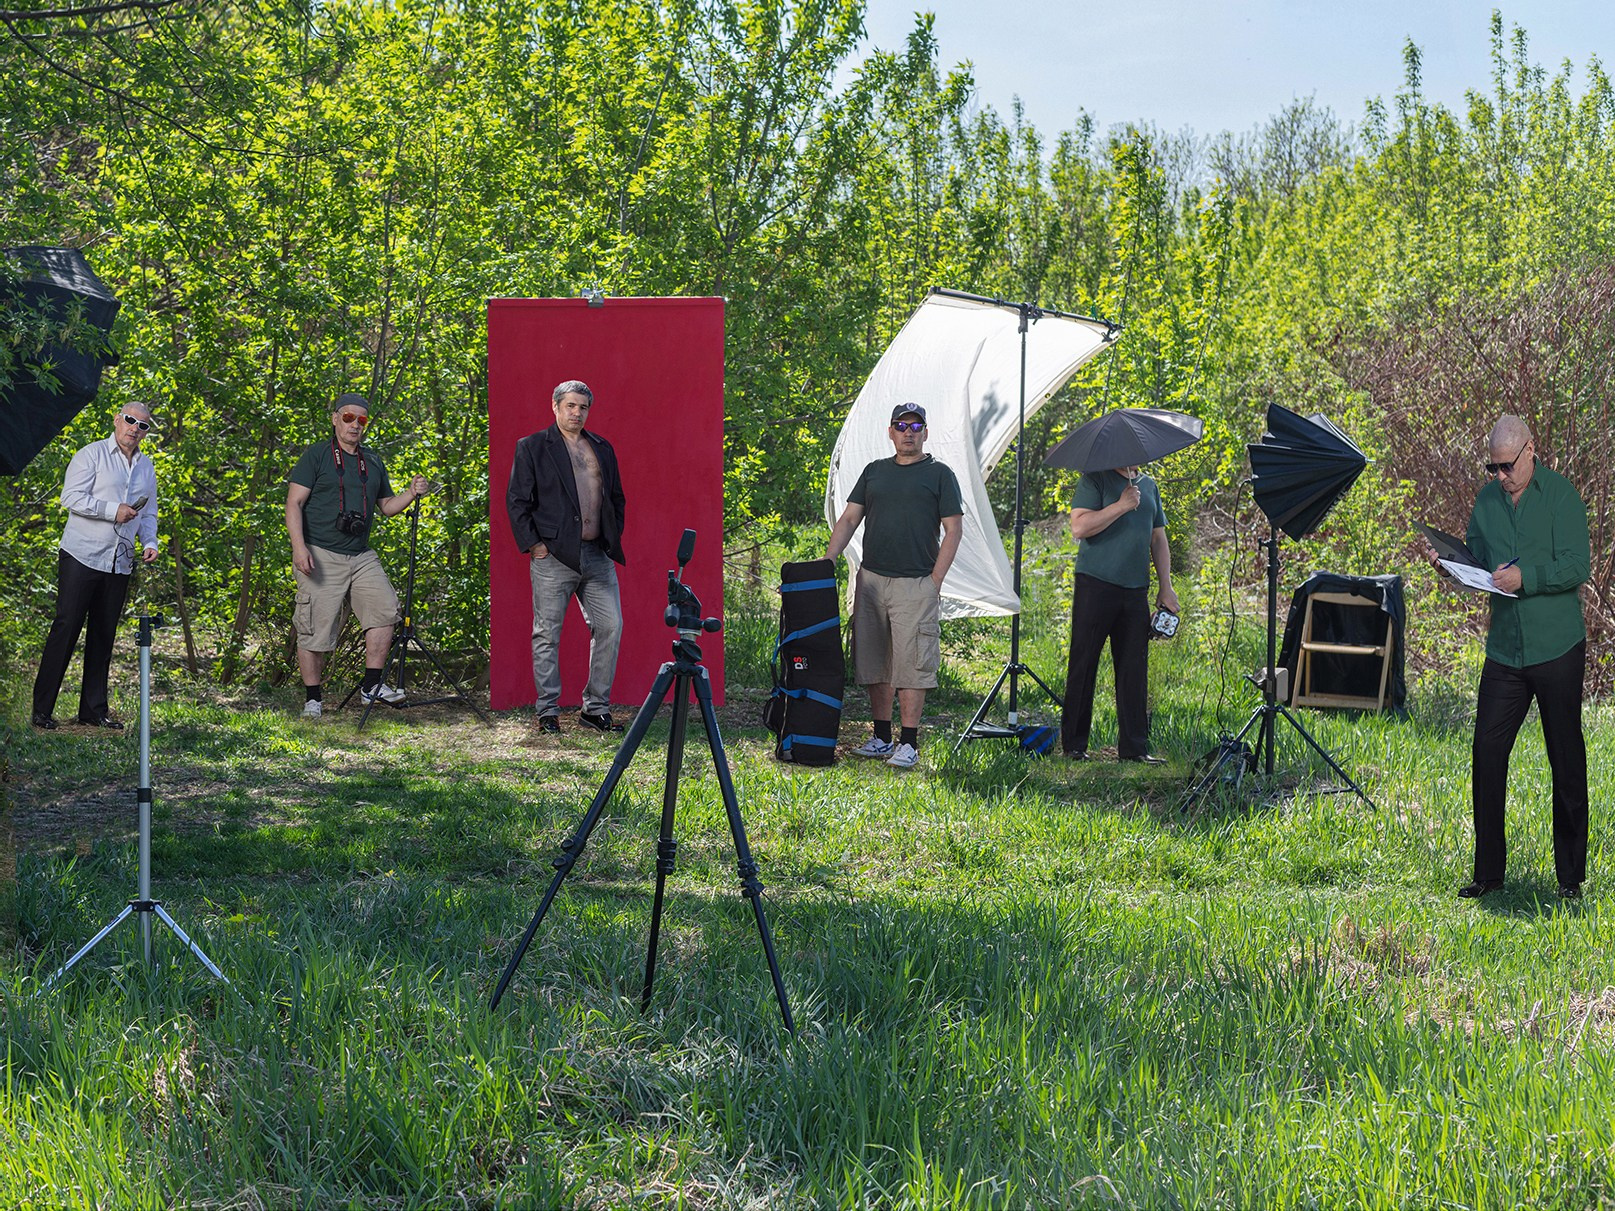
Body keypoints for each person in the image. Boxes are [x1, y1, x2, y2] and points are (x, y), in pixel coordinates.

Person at [1424, 415, 1590, 900]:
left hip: (1557, 646)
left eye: (1505, 466)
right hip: (1505, 652)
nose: (1498, 475)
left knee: (1566, 757)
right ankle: (1489, 874)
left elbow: (1578, 565)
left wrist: (1527, 578)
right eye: (1491, 467)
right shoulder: (1486, 500)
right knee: (1487, 752)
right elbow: (1477, 558)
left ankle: (1570, 880)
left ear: (1530, 451)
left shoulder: (1561, 497)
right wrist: (1451, 568)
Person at [825, 403, 964, 769]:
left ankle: (910, 743)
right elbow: (850, 518)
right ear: (890, 432)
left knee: (912, 664)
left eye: (915, 426)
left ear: (925, 433)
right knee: (875, 662)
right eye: (901, 425)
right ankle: (882, 737)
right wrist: (828, 561)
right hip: (871, 580)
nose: (908, 432)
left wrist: (935, 580)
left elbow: (953, 529)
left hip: (916, 583)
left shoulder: (940, 474)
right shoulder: (874, 473)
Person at [285, 393, 432, 717]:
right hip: (320, 551)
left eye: (361, 420)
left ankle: (371, 687)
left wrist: (411, 492)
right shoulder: (318, 455)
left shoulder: (373, 461)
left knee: (384, 608)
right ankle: (313, 699)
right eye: (349, 418)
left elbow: (387, 508)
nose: (355, 425)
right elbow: (293, 503)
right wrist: (300, 548)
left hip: (360, 554)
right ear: (336, 419)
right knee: (315, 628)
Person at [505, 379, 627, 734]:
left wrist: (611, 535)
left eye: (583, 407)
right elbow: (517, 501)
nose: (577, 413)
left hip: (596, 554)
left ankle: (595, 709)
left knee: (610, 626)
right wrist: (535, 545)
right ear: (555, 406)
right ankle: (547, 712)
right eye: (571, 406)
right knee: (547, 634)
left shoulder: (601, 447)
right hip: (554, 555)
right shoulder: (532, 447)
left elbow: (616, 498)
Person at [31, 402, 160, 730]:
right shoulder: (91, 454)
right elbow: (70, 497)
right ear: (118, 420)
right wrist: (111, 510)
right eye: (130, 420)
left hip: (119, 561)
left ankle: (92, 711)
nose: (134, 428)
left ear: (146, 432)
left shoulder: (146, 468)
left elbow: (149, 513)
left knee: (104, 634)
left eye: (142, 425)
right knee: (66, 627)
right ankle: (42, 710)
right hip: (82, 555)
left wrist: (150, 542)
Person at [1060, 462, 1178, 763]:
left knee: (1134, 670)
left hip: (1135, 589)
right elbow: (1080, 527)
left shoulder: (1149, 486)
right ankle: (1074, 746)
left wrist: (1166, 586)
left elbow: (1158, 539)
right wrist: (1121, 506)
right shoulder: (1094, 479)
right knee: (1084, 664)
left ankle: (1135, 749)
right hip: (1095, 584)